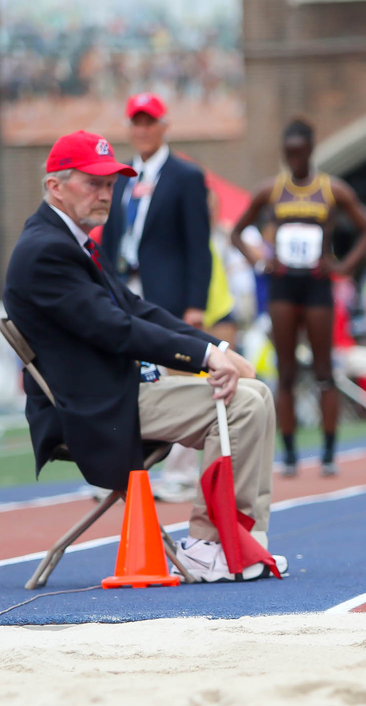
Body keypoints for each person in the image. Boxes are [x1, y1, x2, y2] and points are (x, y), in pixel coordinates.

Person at [4, 131, 282, 582]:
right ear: (55, 185)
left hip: (114, 390)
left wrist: (220, 349)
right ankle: (208, 544)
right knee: (243, 404)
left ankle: (242, 543)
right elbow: (115, 329)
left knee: (256, 393)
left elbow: (135, 309)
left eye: (111, 184)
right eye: (92, 182)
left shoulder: (72, 239)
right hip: (89, 407)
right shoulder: (46, 251)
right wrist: (207, 355)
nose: (105, 194)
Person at [231, 118, 366, 477]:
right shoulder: (271, 190)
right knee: (286, 371)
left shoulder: (332, 190)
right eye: (289, 152)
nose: (295, 158)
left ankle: (327, 453)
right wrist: (259, 260)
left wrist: (343, 267)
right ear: (284, 153)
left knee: (324, 369)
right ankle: (292, 454)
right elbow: (236, 232)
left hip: (316, 285)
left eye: (300, 152)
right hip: (283, 285)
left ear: (311, 150)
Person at [100, 93, 216, 503]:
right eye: (137, 122)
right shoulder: (122, 178)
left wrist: (196, 303)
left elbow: (198, 244)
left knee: (179, 376)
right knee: (127, 378)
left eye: (150, 122)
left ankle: (181, 475)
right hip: (124, 288)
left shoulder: (185, 175)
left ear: (164, 126)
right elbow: (110, 237)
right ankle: (125, 474)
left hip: (167, 292)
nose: (143, 129)